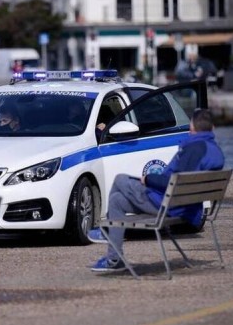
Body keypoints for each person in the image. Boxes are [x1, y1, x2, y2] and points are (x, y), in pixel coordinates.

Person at [87, 108, 225, 272]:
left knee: (120, 179)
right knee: (117, 201)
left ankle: (107, 233)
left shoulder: (194, 148)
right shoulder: (214, 150)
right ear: (212, 128)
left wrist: (149, 179)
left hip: (167, 204)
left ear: (192, 127)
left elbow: (173, 181)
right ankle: (114, 258)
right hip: (184, 204)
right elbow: (180, 181)